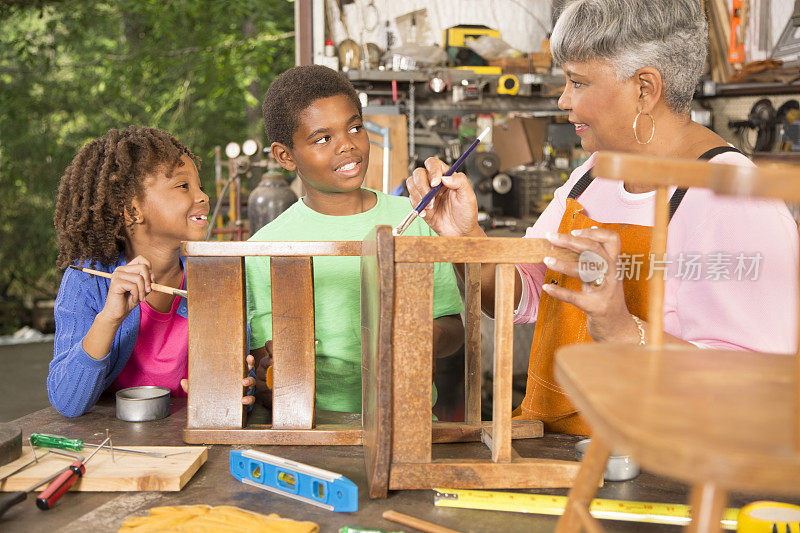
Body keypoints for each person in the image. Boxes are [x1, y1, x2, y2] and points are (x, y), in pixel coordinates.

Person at [405, 0, 799, 434]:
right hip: (565, 449)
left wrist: (622, 329)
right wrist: (467, 240)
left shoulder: (735, 201)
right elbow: (524, 294)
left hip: (667, 470)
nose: (563, 100)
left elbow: (762, 393)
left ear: (645, 89)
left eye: (578, 82)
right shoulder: (591, 178)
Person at [247, 65, 464, 413]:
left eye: (355, 127)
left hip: (406, 417)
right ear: (285, 156)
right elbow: (265, 365)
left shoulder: (414, 219)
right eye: (322, 139)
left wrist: (425, 336)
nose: (347, 145)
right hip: (312, 425)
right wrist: (268, 376)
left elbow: (453, 328)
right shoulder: (264, 248)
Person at [49, 126, 255, 417]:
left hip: (187, 438)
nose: (203, 198)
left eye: (201, 187)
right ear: (133, 210)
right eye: (184, 186)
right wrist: (109, 318)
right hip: (115, 444)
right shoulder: (88, 279)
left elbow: (241, 387)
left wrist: (240, 389)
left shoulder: (218, 279)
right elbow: (67, 401)